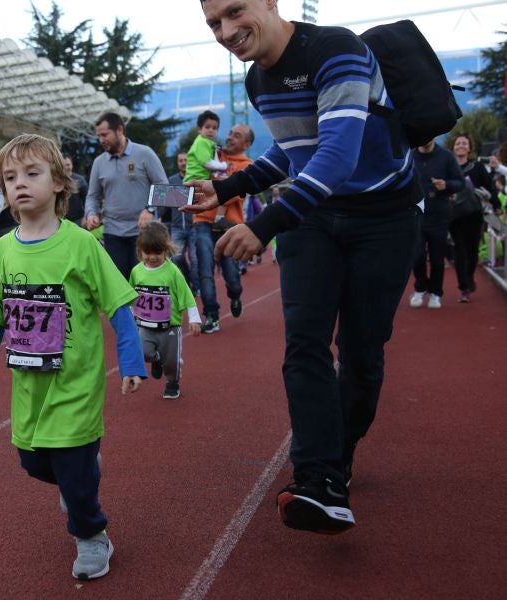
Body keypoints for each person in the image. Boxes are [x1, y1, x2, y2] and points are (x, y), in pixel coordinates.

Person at [187, 0, 422, 534]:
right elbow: (293, 151)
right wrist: (228, 187)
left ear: (270, 2)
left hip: (385, 217)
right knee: (305, 344)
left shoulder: (336, 50)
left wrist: (265, 225)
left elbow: (336, 154)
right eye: (214, 23)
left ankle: (340, 455)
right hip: (314, 216)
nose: (226, 31)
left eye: (235, 11)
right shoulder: (257, 79)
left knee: (361, 352)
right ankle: (319, 478)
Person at [0, 133, 146, 581]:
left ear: (60, 182)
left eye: (32, 173)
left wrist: (132, 360)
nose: (20, 184)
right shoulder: (3, 249)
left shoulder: (81, 244)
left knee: (71, 468)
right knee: (33, 463)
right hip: (29, 385)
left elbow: (118, 306)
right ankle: (78, 477)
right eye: (10, 178)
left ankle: (91, 535)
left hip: (76, 383)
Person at [84, 112, 169, 279]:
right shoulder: (99, 163)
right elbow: (92, 196)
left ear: (119, 130)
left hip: (144, 233)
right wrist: (91, 213)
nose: (101, 140)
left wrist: (150, 209)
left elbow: (164, 186)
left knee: (144, 283)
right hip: (112, 233)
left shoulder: (145, 153)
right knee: (118, 284)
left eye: (105, 134)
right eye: (99, 136)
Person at [190, 123, 254, 332]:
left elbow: (235, 193)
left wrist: (219, 194)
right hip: (203, 221)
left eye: (237, 135)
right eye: (230, 133)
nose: (230, 137)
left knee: (232, 277)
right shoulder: (212, 154)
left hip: (230, 226)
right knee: (204, 269)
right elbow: (195, 174)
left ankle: (235, 295)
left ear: (247, 144)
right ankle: (211, 315)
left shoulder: (248, 165)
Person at [128, 221, 201, 399]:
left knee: (172, 361)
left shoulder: (173, 272)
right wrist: (130, 314)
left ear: (166, 250)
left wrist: (194, 318)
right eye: (147, 253)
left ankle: (172, 382)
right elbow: (131, 294)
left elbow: (186, 295)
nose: (152, 257)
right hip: (145, 325)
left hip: (170, 328)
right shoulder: (136, 271)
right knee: (143, 352)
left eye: (157, 253)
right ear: (140, 251)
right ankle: (156, 359)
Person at [409, 140, 464, 309]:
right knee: (417, 256)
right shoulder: (409, 156)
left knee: (437, 258)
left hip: (439, 215)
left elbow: (460, 182)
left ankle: (436, 292)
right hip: (415, 214)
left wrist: (447, 185)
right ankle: (420, 287)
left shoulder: (446, 156)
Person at [448, 133, 494, 303]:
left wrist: (496, 205)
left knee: (472, 251)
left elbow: (490, 187)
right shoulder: (448, 167)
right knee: (459, 251)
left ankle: (469, 277)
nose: (461, 146)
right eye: (458, 143)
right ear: (453, 147)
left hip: (474, 215)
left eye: (464, 143)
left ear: (469, 148)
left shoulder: (478, 167)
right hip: (454, 216)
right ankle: (464, 287)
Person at [163, 151, 199, 295]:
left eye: (185, 160)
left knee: (195, 259)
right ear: (177, 163)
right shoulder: (171, 180)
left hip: (194, 227)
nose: (183, 163)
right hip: (177, 227)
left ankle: (196, 288)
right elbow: (165, 202)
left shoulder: (196, 180)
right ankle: (188, 280)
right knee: (177, 258)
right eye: (180, 161)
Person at [62, 153, 88, 226]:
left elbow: (87, 200)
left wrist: (86, 217)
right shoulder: (57, 181)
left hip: (78, 220)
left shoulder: (80, 180)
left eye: (68, 165)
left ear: (72, 165)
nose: (66, 167)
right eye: (63, 165)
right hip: (62, 221)